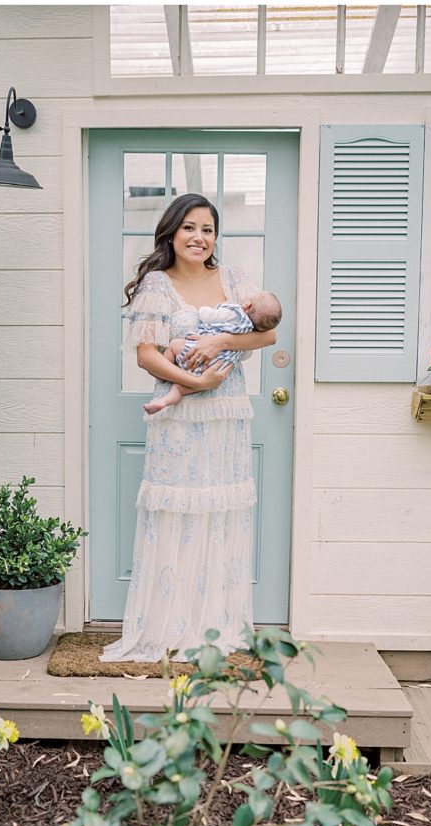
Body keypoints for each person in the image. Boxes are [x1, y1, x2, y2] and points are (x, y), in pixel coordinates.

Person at [99, 193, 278, 664]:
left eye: (208, 229)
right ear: (172, 233)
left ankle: (214, 626)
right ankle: (167, 625)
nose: (200, 238)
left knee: (220, 513)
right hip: (178, 421)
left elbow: (269, 332)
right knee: (178, 515)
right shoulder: (156, 285)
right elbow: (147, 355)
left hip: (227, 420)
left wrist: (220, 339)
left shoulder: (235, 279)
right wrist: (195, 380)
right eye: (190, 228)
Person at [143, 292, 282, 415]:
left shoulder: (233, 313)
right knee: (179, 389)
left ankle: (163, 373)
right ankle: (166, 400)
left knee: (174, 345)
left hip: (193, 354)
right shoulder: (250, 330)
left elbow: (207, 316)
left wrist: (205, 311)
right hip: (215, 371)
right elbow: (246, 355)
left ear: (247, 305)